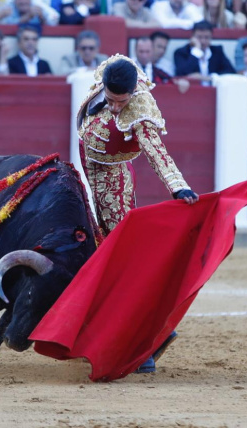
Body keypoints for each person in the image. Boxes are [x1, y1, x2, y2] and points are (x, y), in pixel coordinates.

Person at [77, 54, 198, 372]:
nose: (116, 107)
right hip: (94, 169)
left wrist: (178, 187)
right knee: (108, 249)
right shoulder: (111, 70)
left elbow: (157, 151)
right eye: (111, 100)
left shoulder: (140, 111)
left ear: (132, 94)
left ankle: (148, 342)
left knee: (122, 261)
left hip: (111, 179)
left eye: (122, 101)